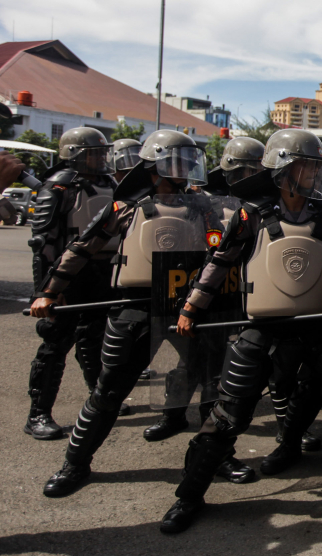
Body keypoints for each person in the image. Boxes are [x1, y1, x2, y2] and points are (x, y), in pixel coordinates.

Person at [160, 130, 322, 534]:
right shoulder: (251, 213)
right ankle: (188, 496)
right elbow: (219, 262)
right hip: (262, 329)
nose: (313, 173)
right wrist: (191, 307)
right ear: (283, 168)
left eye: (315, 167)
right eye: (306, 166)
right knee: (227, 416)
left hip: (320, 329)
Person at [29, 129, 211, 496]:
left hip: (185, 308)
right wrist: (49, 291)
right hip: (135, 307)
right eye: (177, 163)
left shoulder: (204, 206)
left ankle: (216, 457)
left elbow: (222, 253)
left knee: (211, 383)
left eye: (188, 162)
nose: (185, 169)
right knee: (108, 391)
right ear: (154, 168)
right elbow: (81, 248)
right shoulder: (126, 206)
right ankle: (75, 464)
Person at [24, 127, 124, 441]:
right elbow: (44, 244)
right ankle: (38, 413)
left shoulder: (110, 184)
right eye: (93, 153)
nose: (101, 158)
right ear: (74, 154)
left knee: (94, 338)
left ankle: (99, 400)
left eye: (102, 152)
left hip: (102, 271)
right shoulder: (59, 187)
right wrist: (46, 291)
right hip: (66, 272)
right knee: (55, 343)